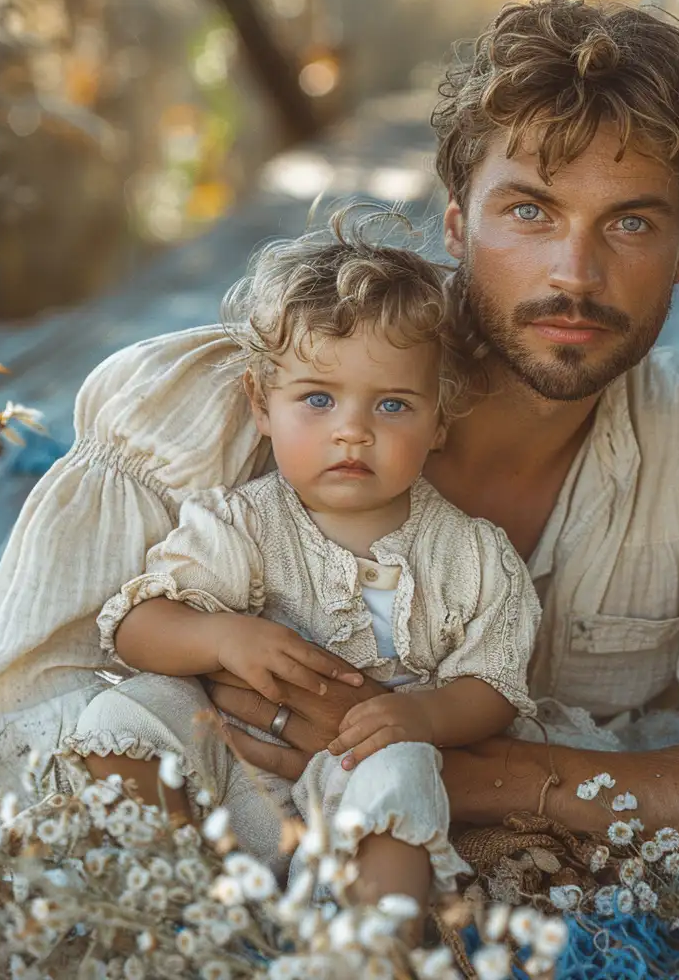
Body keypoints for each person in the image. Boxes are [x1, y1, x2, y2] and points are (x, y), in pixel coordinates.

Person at [0, 0, 679, 896]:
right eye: (531, 212)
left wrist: (463, 772)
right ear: (456, 221)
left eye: (630, 222)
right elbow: (10, 715)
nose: (575, 273)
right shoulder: (202, 408)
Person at [67, 219, 546, 927]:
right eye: (318, 399)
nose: (352, 430)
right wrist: (222, 638)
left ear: (439, 420)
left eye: (392, 405)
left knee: (404, 765)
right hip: (232, 773)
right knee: (127, 709)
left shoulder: (471, 553)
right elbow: (137, 628)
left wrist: (424, 714)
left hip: (360, 780)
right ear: (262, 404)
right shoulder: (241, 524)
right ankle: (168, 913)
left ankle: (372, 951)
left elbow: (496, 683)